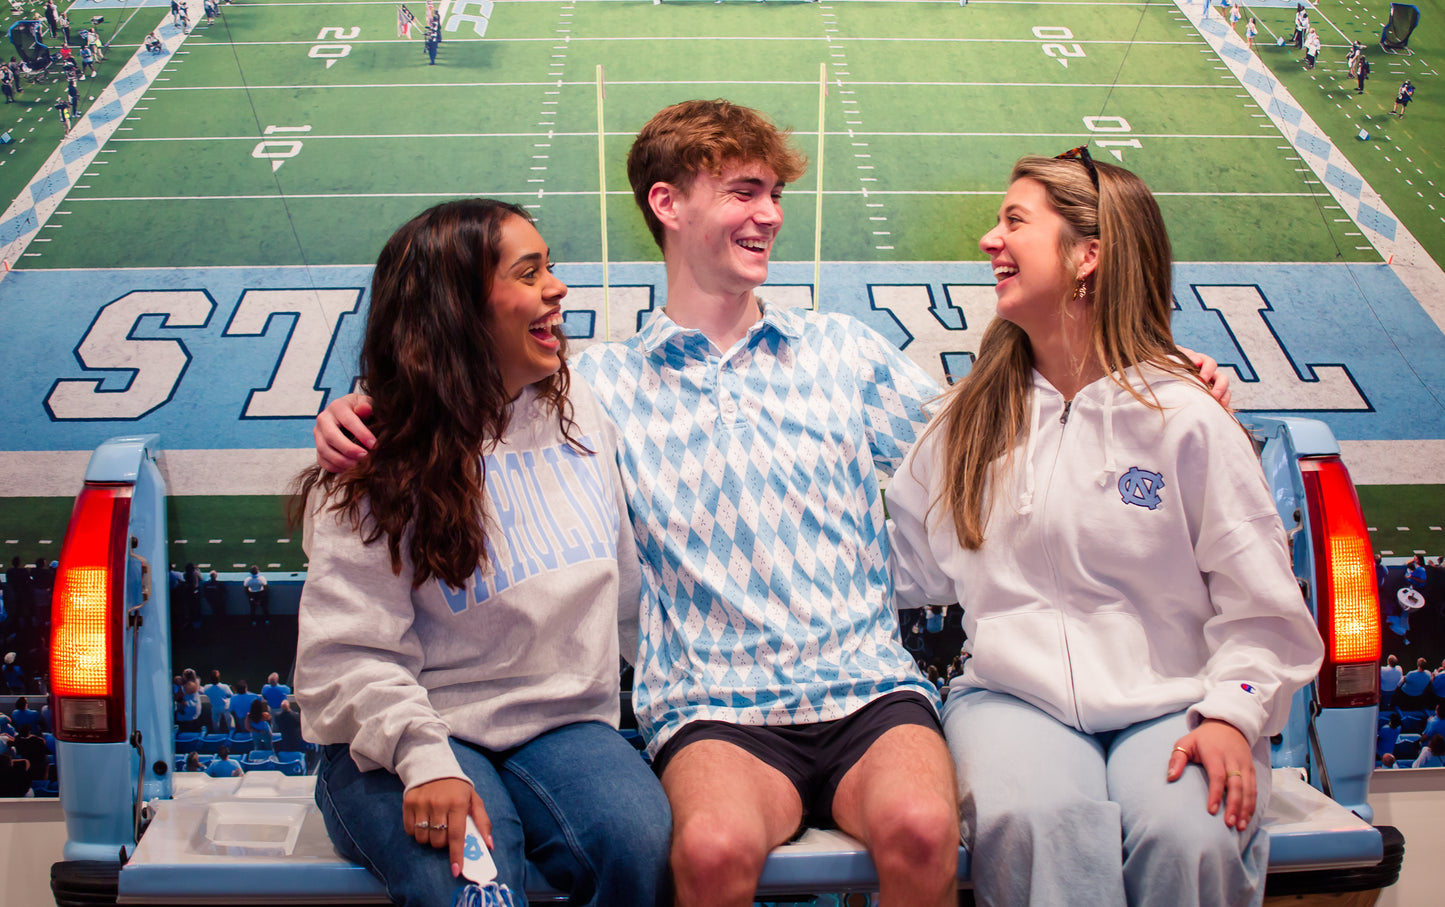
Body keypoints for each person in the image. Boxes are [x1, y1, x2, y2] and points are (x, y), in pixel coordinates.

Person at [315, 100, 1234, 906]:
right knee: (707, 849)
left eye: (774, 196)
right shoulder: (600, 389)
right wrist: (364, 414)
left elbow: (993, 435)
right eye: (745, 192)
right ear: (667, 205)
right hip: (713, 697)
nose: (770, 215)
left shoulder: (844, 350)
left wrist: (1140, 376)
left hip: (862, 680)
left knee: (921, 831)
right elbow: (463, 406)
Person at [886, 150, 1325, 906]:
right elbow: (899, 564)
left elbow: (1264, 612)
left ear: (1088, 255)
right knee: (1036, 820)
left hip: (1175, 700)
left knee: (1189, 835)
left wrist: (1231, 712)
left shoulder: (1185, 418)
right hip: (1010, 699)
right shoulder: (964, 421)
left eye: (1014, 221)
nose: (989, 240)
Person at [295, 198, 670, 907]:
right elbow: (344, 656)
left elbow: (626, 596)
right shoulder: (375, 456)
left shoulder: (579, 408)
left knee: (639, 843)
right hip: (405, 733)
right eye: (529, 273)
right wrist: (424, 757)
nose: (557, 288)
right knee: (471, 884)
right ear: (457, 309)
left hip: (560, 724)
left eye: (549, 267)